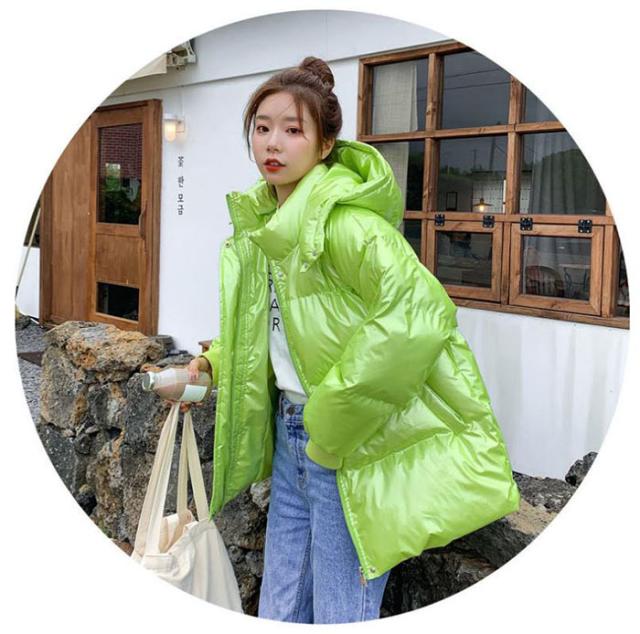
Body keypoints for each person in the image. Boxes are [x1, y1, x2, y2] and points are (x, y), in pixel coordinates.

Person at [175, 57, 519, 624]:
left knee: (341, 613)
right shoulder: (266, 225)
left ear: (326, 144)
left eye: (293, 129)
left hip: (347, 443)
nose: (272, 143)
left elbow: (420, 315)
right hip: (293, 435)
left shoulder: (346, 224)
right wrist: (211, 363)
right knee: (281, 607)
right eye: (262, 127)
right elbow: (272, 328)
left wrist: (331, 422)